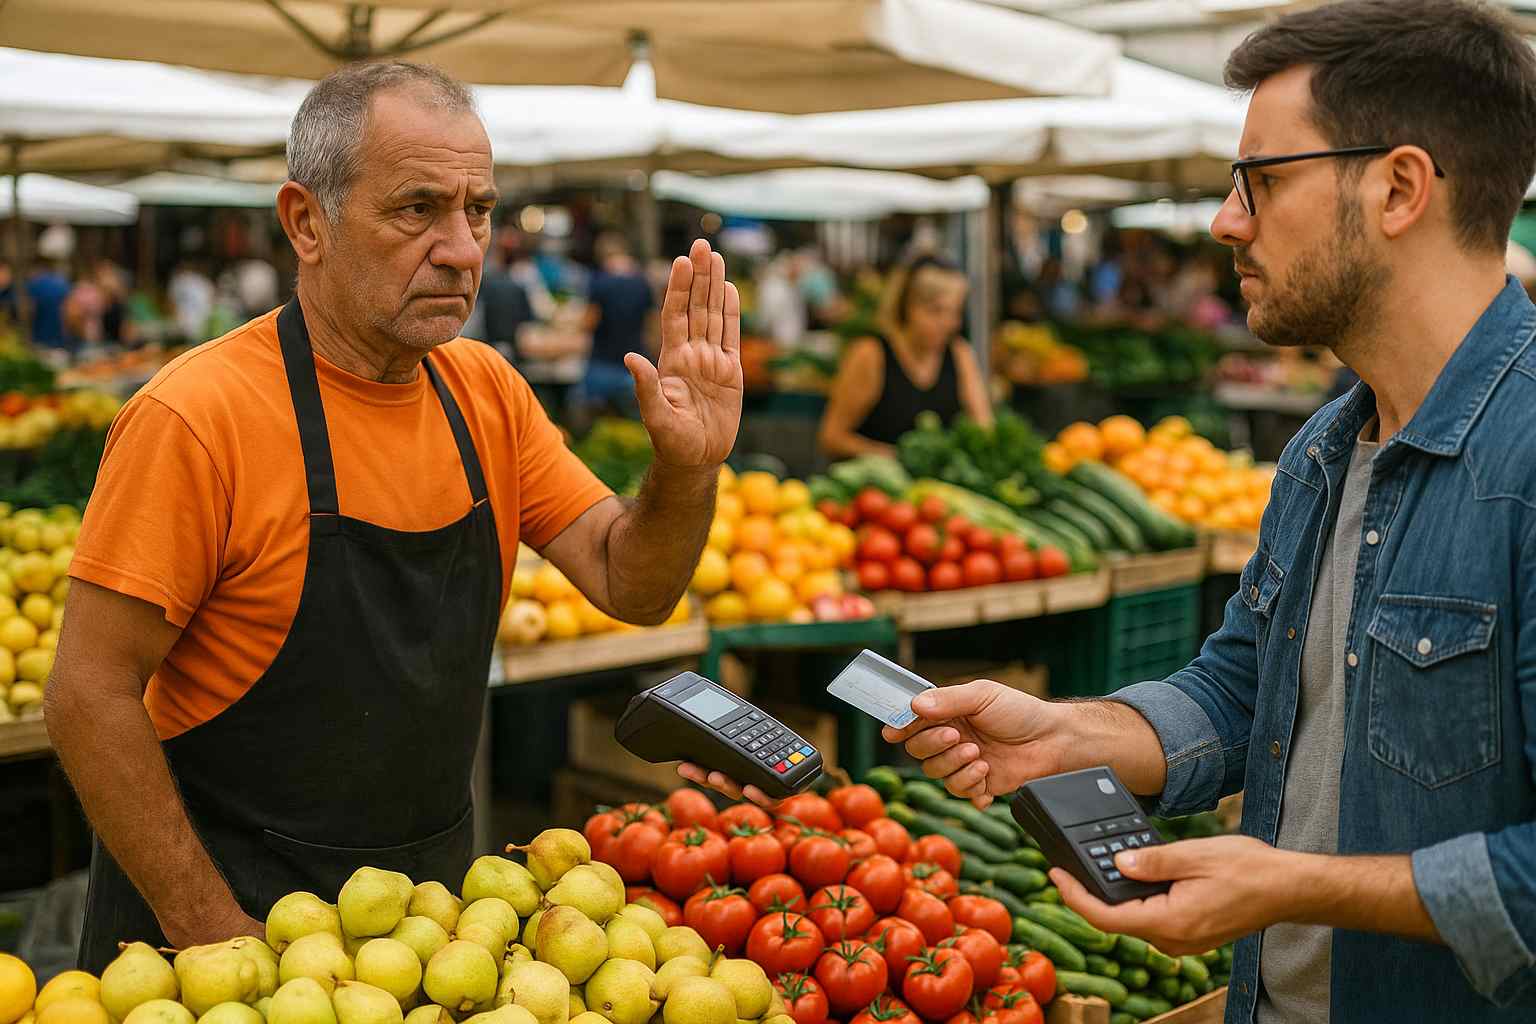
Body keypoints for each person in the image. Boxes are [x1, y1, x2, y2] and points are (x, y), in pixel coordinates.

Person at [691, 1, 1536, 1020]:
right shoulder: (1319, 452)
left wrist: (1297, 883)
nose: (1228, 219)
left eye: (1261, 181)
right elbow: (1241, 692)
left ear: (1400, 187)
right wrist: (1064, 735)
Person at [46, 60, 742, 972]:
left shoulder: (486, 392)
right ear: (307, 223)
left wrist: (686, 472)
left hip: (428, 936)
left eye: (479, 210)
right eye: (417, 209)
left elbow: (631, 582)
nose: (461, 248)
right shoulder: (197, 417)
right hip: (212, 940)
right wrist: (216, 934)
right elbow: (87, 696)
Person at [817, 256, 992, 459]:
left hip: (933, 488)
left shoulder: (960, 354)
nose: (948, 323)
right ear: (906, 307)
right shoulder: (870, 355)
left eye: (955, 312)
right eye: (936, 311)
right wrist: (897, 457)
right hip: (874, 486)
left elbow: (983, 427)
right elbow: (831, 438)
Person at [579, 232, 656, 412]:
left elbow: (589, 322)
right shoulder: (643, 281)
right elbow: (652, 324)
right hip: (635, 364)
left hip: (602, 365)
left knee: (594, 419)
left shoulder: (599, 281)